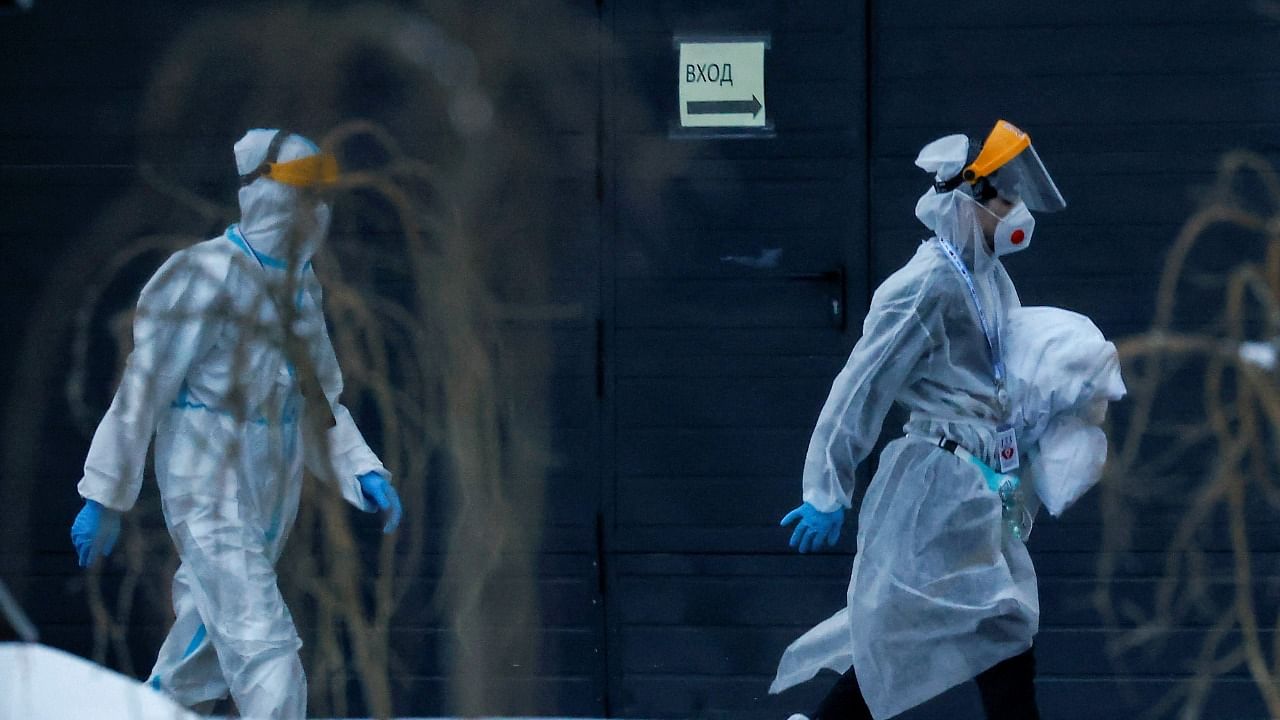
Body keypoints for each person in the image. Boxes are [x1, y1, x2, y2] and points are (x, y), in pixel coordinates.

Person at [69, 129, 403, 719]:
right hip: (208, 479)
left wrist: (360, 468)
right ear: (261, 190)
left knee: (198, 653)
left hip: (272, 481)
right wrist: (105, 495)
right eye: (301, 192)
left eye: (320, 194)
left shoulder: (301, 289)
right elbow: (141, 392)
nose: (314, 208)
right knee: (263, 645)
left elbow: (317, 399)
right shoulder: (200, 276)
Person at [772, 120, 1067, 720]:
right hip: (938, 488)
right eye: (1005, 198)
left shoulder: (986, 275)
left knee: (977, 628)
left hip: (980, 487)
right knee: (941, 627)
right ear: (967, 202)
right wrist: (827, 488)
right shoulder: (924, 285)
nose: (1016, 211)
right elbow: (861, 385)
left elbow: (1000, 373)